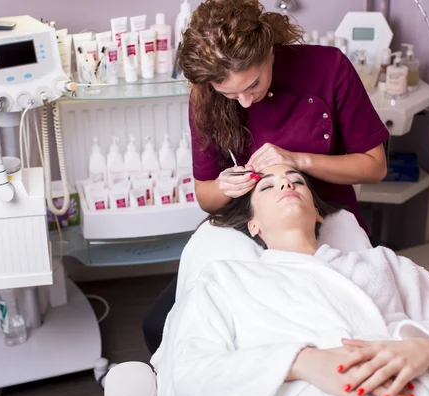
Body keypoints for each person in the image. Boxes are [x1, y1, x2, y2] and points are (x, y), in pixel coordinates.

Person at [143, 0, 389, 354]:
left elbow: (374, 166)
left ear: (269, 51)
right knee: (161, 326)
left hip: (325, 217)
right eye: (229, 94)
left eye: (253, 85)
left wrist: (300, 160)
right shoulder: (204, 96)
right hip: (246, 224)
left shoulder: (328, 68)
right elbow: (205, 196)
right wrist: (224, 187)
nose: (244, 102)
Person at [149, 164, 429, 396]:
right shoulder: (226, 279)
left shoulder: (380, 262)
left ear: (318, 213)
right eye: (267, 186)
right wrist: (299, 362)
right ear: (254, 226)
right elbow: (191, 371)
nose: (286, 184)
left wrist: (426, 349)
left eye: (297, 182)